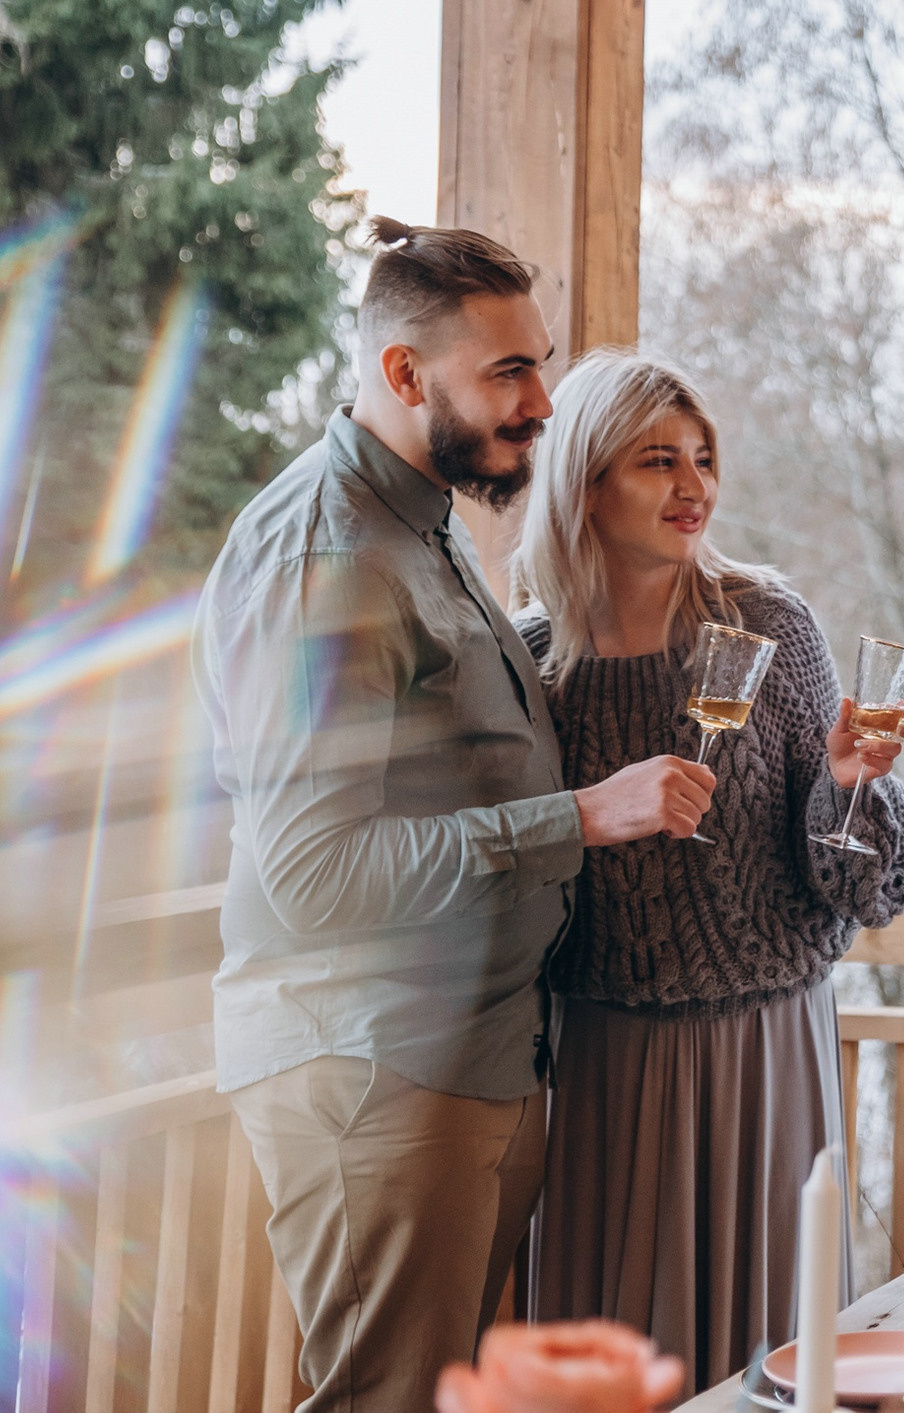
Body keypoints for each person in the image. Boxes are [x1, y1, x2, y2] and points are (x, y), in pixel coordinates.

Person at [198, 219, 713, 1413]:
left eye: (540, 360)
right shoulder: (325, 558)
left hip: (473, 1059)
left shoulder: (425, 523)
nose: (542, 400)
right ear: (401, 374)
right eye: (509, 372)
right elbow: (314, 873)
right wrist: (576, 817)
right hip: (375, 1071)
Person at [512, 351, 904, 1391]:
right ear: (584, 480)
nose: (692, 485)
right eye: (658, 461)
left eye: (703, 458)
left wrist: (849, 787)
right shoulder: (527, 663)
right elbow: (505, 853)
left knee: (773, 1352)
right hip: (598, 1055)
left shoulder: (770, 624)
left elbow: (865, 884)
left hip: (764, 1047)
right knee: (613, 1354)